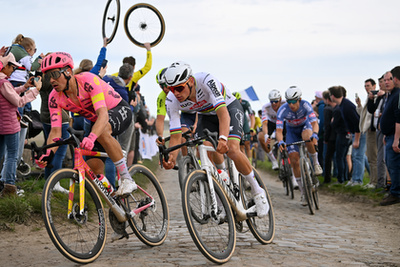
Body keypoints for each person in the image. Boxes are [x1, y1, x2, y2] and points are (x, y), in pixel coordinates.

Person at [162, 61, 269, 217]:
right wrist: (171, 158)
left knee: (232, 149)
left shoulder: (206, 80)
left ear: (191, 81)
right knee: (205, 149)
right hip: (206, 116)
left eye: (179, 88)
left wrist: (224, 138)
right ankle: (222, 183)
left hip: (229, 108)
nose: (176, 93)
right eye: (171, 89)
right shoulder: (171, 100)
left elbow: (223, 114)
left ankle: (258, 191)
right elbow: (176, 135)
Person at [36, 52, 136, 197]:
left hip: (118, 109)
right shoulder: (54, 97)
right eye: (48, 76)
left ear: (68, 72)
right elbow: (55, 132)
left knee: (101, 132)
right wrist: (48, 154)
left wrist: (92, 137)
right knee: (93, 172)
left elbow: (103, 115)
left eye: (55, 74)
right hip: (97, 122)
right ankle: (116, 200)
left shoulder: (88, 80)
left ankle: (127, 179)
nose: (52, 80)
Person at [0, 53, 41, 197]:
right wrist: (36, 90)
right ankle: (9, 188)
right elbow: (18, 102)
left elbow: (10, 93)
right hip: (9, 125)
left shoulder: (3, 82)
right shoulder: (4, 83)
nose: (13, 70)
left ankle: (2, 184)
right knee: (12, 156)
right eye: (12, 67)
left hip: (1, 125)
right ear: (5, 66)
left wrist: (24, 87)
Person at [276, 86, 323, 206]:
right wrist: (281, 141)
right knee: (294, 160)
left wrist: (315, 134)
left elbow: (314, 123)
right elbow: (279, 131)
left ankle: (315, 163)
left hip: (304, 127)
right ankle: (303, 192)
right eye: (289, 101)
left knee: (308, 137)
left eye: (293, 101)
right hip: (292, 132)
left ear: (299, 99)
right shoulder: (282, 110)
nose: (291, 104)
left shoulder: (306, 105)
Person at [329, 85, 365, 187]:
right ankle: (354, 179)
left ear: (332, 96)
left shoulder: (347, 106)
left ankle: (358, 180)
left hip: (358, 133)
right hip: (353, 133)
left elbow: (357, 122)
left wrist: (356, 140)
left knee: (358, 157)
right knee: (354, 156)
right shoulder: (342, 105)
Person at [379, 66, 400, 206]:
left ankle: (396, 193)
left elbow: (399, 118)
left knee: (394, 165)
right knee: (390, 164)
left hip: (395, 136)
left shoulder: (397, 94)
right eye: (385, 80)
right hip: (389, 135)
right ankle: (394, 191)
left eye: (390, 79)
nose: (387, 82)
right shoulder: (390, 95)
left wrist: (396, 138)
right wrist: (385, 135)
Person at [367, 74, 388, 190]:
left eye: (383, 82)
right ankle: (381, 183)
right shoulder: (380, 96)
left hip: (384, 129)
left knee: (381, 158)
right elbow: (372, 110)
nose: (381, 84)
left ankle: (383, 183)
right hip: (377, 128)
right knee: (378, 157)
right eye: (380, 82)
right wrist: (371, 99)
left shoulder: (388, 96)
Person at [356, 78, 378, 189]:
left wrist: (371, 127)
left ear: (374, 86)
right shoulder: (368, 98)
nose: (366, 88)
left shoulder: (375, 97)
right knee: (370, 157)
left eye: (368, 85)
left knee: (373, 157)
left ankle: (375, 182)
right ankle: (372, 180)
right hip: (368, 130)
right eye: (365, 86)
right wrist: (359, 105)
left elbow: (372, 115)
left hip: (372, 131)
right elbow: (364, 116)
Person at [258, 89, 284, 171]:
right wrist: (266, 135)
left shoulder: (286, 103)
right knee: (261, 137)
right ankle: (273, 160)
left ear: (280, 99)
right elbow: (265, 123)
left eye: (276, 101)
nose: (274, 104)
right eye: (272, 101)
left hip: (283, 122)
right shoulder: (266, 107)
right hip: (271, 123)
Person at [329, 87, 351, 184]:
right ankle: (346, 177)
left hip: (342, 134)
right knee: (344, 157)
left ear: (333, 96)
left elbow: (334, 124)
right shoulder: (343, 106)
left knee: (339, 157)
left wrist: (332, 122)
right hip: (348, 134)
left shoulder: (337, 109)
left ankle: (340, 179)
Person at [233, 92, 255, 161]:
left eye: (238, 101)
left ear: (241, 100)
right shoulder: (229, 103)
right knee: (240, 146)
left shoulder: (246, 103)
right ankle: (243, 162)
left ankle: (250, 163)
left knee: (247, 144)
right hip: (235, 121)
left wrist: (252, 127)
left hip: (244, 121)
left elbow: (252, 116)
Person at [322, 90, 337, 184]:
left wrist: (325, 138)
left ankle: (327, 178)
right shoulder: (336, 108)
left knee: (327, 158)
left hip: (331, 137)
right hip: (338, 135)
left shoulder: (327, 109)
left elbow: (327, 125)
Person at [315, 91, 325, 174]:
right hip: (323, 133)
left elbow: (322, 121)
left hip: (321, 134)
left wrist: (318, 133)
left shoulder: (321, 106)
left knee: (321, 154)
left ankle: (323, 172)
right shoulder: (323, 105)